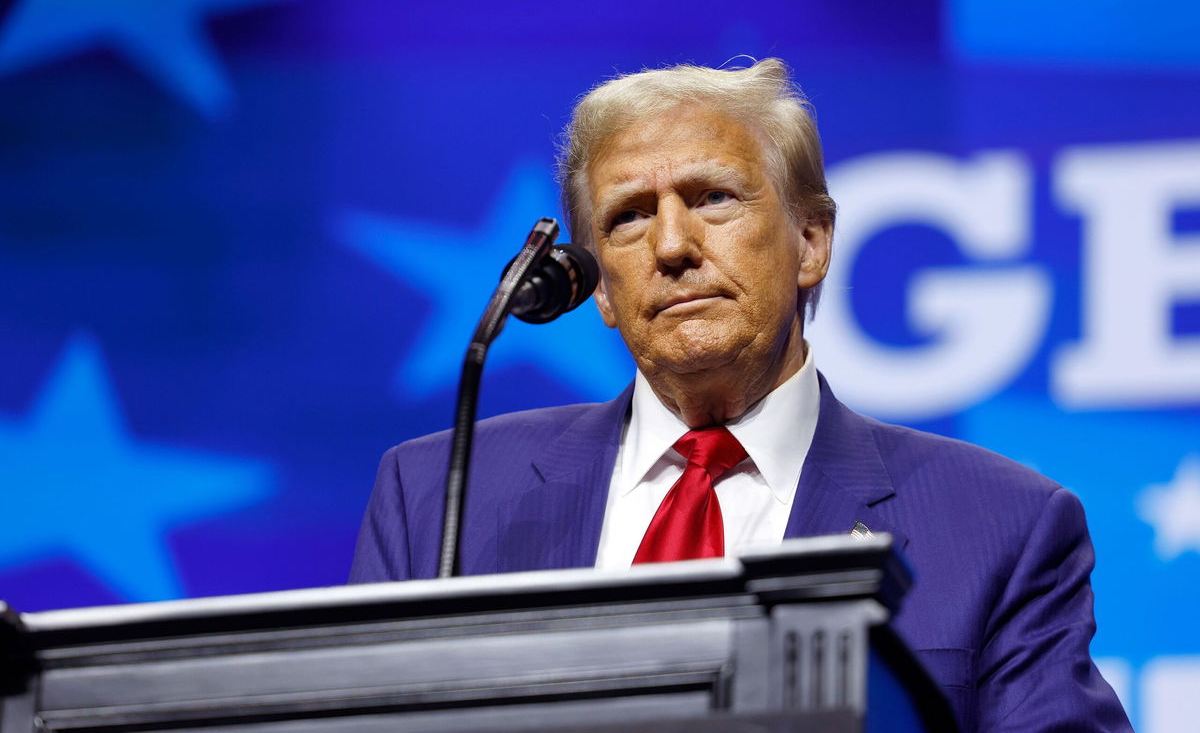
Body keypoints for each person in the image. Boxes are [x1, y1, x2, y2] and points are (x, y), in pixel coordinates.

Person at [350, 58, 1131, 732]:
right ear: (602, 292)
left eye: (714, 198)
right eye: (627, 217)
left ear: (811, 242)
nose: (672, 246)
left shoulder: (999, 526)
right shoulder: (437, 497)